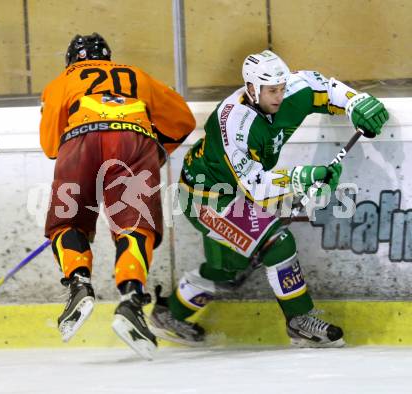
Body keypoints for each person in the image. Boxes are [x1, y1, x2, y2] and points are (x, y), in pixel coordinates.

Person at [149, 50, 389, 347]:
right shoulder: (234, 122)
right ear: (251, 89)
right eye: (272, 91)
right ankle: (300, 320)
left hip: (231, 190)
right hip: (205, 196)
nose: (279, 96)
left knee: (229, 269)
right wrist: (303, 177)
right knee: (277, 242)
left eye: (281, 88)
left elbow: (324, 87)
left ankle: (170, 313)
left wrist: (354, 102)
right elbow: (257, 187)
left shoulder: (290, 90)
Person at [39, 33, 196, 359]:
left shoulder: (62, 81)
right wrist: (156, 151)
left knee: (67, 222)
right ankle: (131, 300)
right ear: (109, 58)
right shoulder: (137, 75)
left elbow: (51, 146)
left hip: (79, 140)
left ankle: (78, 281)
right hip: (133, 140)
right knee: (135, 226)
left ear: (70, 61)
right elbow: (183, 120)